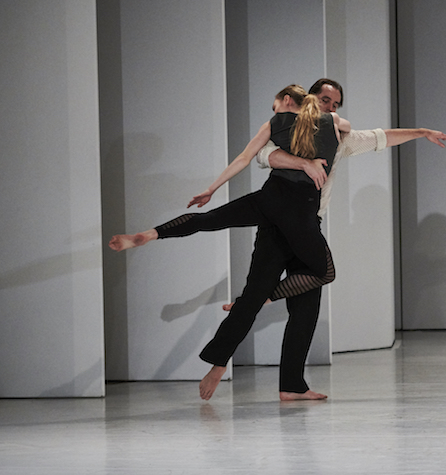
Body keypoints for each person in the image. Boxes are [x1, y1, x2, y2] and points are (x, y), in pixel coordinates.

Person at [109, 84, 342, 401]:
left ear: (286, 101)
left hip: (270, 202)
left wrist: (211, 188)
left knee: (209, 220)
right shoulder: (331, 124)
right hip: (299, 217)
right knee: (323, 273)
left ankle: (151, 234)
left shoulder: (275, 124)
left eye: (275, 107)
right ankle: (269, 311)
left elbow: (246, 157)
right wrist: (419, 132)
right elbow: (375, 136)